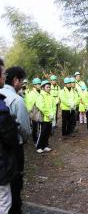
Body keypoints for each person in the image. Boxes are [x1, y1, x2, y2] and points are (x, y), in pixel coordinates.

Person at [0, 66, 31, 214]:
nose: (22, 84)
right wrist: (23, 140)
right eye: (21, 81)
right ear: (15, 80)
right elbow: (25, 129)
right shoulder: (17, 100)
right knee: (15, 183)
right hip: (14, 147)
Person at [0, 59, 19, 214]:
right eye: (1, 73)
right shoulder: (2, 107)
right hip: (1, 167)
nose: (3, 78)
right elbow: (10, 138)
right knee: (4, 204)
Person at [35, 80, 56, 153]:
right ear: (43, 88)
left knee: (47, 133)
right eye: (47, 87)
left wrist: (53, 114)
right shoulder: (40, 96)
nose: (49, 88)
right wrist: (49, 114)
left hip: (50, 118)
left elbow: (54, 106)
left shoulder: (50, 96)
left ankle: (45, 146)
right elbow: (41, 106)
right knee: (42, 133)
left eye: (49, 87)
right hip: (43, 118)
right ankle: (39, 146)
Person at [24, 78, 42, 145]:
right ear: (34, 85)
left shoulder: (41, 92)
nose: (39, 85)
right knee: (35, 126)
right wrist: (30, 112)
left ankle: (40, 138)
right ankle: (35, 140)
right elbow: (28, 103)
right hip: (34, 111)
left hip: (41, 110)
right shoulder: (31, 93)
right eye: (38, 84)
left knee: (40, 126)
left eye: (40, 84)